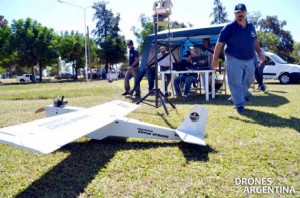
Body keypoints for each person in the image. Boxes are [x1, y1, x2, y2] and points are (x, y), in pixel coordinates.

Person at [211, 3, 265, 113]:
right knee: (235, 82)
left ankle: (234, 97)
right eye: (238, 12)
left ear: (246, 12)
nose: (240, 14)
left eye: (242, 12)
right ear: (235, 14)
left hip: (249, 58)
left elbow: (255, 41)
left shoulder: (251, 27)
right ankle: (240, 104)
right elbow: (219, 44)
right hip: (233, 58)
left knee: (249, 80)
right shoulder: (229, 28)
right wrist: (215, 59)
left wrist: (260, 51)